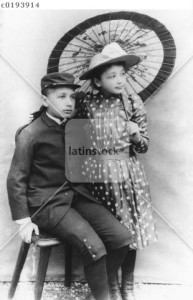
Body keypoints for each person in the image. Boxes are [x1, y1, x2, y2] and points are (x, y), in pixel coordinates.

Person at [6, 72, 134, 300]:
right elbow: (16, 178)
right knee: (94, 248)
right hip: (47, 204)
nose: (68, 103)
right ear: (45, 99)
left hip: (75, 196)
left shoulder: (73, 127)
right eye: (61, 96)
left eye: (72, 97)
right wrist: (23, 220)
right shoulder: (31, 133)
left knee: (121, 238)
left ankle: (98, 290)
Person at [78, 42, 157, 300]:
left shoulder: (132, 102)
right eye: (111, 76)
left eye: (122, 74)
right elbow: (75, 137)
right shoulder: (86, 102)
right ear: (97, 82)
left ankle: (128, 285)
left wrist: (136, 136)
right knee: (111, 233)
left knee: (130, 229)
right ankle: (110, 285)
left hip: (128, 176)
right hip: (99, 178)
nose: (120, 80)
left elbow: (143, 147)